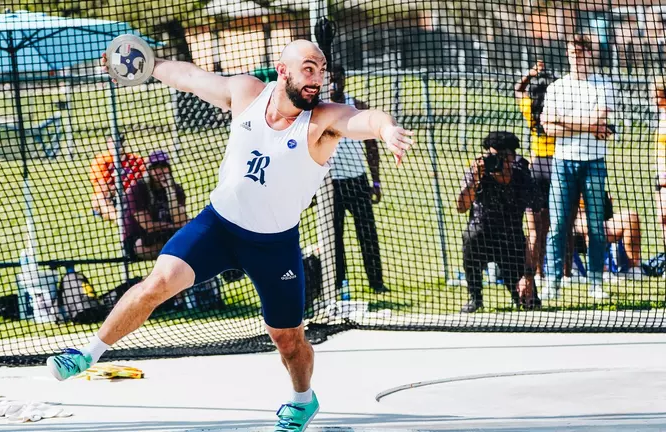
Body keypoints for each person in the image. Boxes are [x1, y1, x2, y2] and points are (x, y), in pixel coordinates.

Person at [47, 39, 414, 431]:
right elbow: (189, 77)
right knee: (157, 283)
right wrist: (145, 63)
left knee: (287, 339)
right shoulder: (247, 93)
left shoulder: (322, 121)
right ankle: (86, 354)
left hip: (274, 245)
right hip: (218, 226)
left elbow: (366, 119)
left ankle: (302, 400)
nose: (317, 78)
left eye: (321, 69)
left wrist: (387, 128)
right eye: (309, 68)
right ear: (283, 69)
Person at [540, 34, 616, 301]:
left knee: (596, 225)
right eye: (573, 50)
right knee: (558, 224)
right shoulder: (557, 87)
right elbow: (548, 126)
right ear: (567, 53)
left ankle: (595, 283)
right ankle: (552, 282)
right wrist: (586, 126)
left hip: (594, 162)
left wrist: (564, 122)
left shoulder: (603, 84)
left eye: (582, 50)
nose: (577, 54)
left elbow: (600, 117)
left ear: (591, 53)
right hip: (563, 162)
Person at [456, 131, 541, 313]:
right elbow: (461, 206)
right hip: (482, 236)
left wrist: (528, 276)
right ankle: (475, 297)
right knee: (470, 236)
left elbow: (534, 231)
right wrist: (476, 179)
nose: (498, 162)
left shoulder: (522, 177)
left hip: (511, 242)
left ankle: (521, 290)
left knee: (530, 304)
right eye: (493, 156)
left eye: (503, 157)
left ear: (513, 158)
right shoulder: (479, 171)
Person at [328, 65, 389, 294]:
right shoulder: (319, 108)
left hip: (357, 180)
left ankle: (376, 282)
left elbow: (372, 147)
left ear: (345, 79)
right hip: (330, 184)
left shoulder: (358, 106)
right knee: (333, 236)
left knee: (367, 232)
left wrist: (376, 181)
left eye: (338, 79)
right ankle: (336, 283)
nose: (334, 85)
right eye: (330, 80)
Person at [514, 60, 557, 286]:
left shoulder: (530, 107)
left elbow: (517, 89)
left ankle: (536, 273)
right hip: (557, 164)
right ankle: (565, 274)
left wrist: (530, 74)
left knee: (534, 229)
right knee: (557, 226)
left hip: (536, 166)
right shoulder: (557, 108)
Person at [122, 150, 189, 261]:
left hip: (168, 235)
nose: (160, 171)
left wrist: (170, 193)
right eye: (155, 167)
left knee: (189, 239)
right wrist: (174, 226)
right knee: (179, 244)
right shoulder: (137, 190)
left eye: (163, 166)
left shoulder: (176, 190)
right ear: (149, 170)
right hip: (139, 240)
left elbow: (179, 219)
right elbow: (148, 226)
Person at [573, 193, 643, 280]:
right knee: (590, 223)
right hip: (574, 223)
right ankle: (602, 272)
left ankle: (633, 269)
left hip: (601, 222)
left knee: (631, 218)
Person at [89, 134, 146, 221]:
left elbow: (144, 180)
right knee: (100, 197)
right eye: (113, 143)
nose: (117, 145)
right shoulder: (101, 161)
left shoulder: (135, 159)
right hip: (111, 197)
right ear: (108, 144)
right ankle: (119, 220)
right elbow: (102, 187)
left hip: (131, 196)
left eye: (119, 142)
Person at [654, 77, 666, 253]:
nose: (654, 99)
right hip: (660, 174)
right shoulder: (661, 115)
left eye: (656, 95)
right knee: (662, 219)